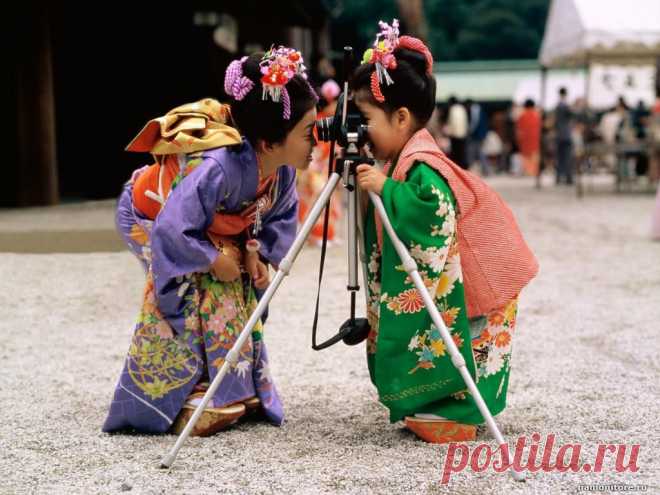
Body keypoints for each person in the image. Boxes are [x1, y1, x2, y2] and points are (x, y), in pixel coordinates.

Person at [103, 46, 319, 436]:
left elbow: (275, 220)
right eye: (308, 133)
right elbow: (172, 229)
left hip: (203, 227)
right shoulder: (218, 167)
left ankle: (232, 380)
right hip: (151, 215)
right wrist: (209, 257)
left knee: (238, 277)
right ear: (269, 143)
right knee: (191, 288)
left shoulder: (281, 173)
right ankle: (176, 392)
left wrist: (258, 254)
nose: (317, 142)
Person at [353, 20, 538, 444]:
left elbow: (432, 214)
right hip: (475, 273)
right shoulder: (409, 155)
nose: (360, 131)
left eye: (365, 119)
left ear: (400, 117)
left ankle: (459, 411)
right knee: (455, 343)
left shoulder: (421, 164)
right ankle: (439, 407)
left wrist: (386, 189)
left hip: (483, 279)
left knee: (467, 348)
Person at [297, 79, 343, 246]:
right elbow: (313, 147)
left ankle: (328, 234)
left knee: (332, 200)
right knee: (318, 199)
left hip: (328, 168)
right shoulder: (318, 122)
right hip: (315, 168)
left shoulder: (335, 123)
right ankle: (314, 235)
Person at [515, 99, 542, 176]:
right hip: (535, 139)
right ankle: (534, 171)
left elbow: (518, 130)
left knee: (525, 156)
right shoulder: (537, 116)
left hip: (524, 140)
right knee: (534, 156)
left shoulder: (522, 116)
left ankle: (527, 172)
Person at [554, 87, 574, 184]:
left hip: (558, 134)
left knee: (559, 157)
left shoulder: (557, 106)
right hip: (566, 134)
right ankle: (568, 178)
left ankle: (558, 177)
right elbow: (573, 114)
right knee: (567, 157)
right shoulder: (565, 105)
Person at [445, 95, 469, 169]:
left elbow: (451, 122)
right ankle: (463, 167)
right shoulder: (462, 108)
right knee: (462, 152)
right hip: (463, 134)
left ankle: (456, 167)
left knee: (455, 154)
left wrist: (449, 132)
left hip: (455, 135)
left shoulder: (452, 109)